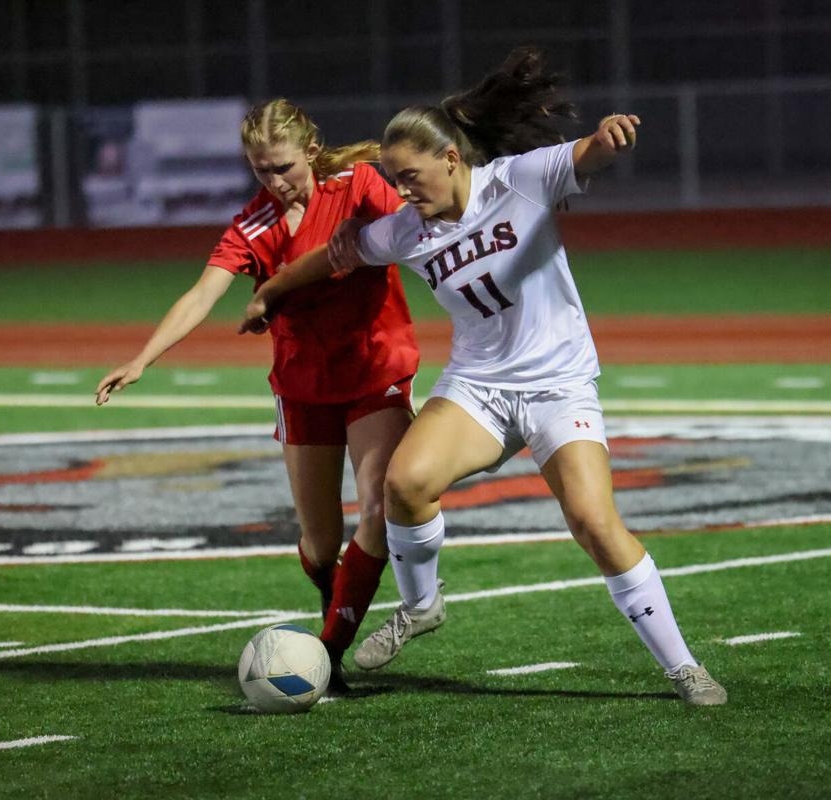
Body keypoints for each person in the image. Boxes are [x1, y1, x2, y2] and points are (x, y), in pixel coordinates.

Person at [240, 49, 727, 705]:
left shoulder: (517, 181)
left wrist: (608, 140)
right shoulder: (407, 230)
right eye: (393, 179)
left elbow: (582, 155)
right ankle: (420, 607)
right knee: (404, 482)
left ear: (451, 159)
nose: (402, 190)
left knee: (592, 521)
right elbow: (334, 256)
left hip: (557, 385)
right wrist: (269, 291)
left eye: (411, 176)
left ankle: (684, 667)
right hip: (479, 387)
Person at [96, 99, 418, 693]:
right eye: (259, 170)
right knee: (322, 545)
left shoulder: (359, 185)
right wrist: (143, 358)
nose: (272, 182)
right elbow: (202, 294)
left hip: (377, 371)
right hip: (304, 386)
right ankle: (332, 601)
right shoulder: (254, 224)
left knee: (377, 507)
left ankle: (331, 650)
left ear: (312, 154)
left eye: (283, 168)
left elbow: (412, 225)